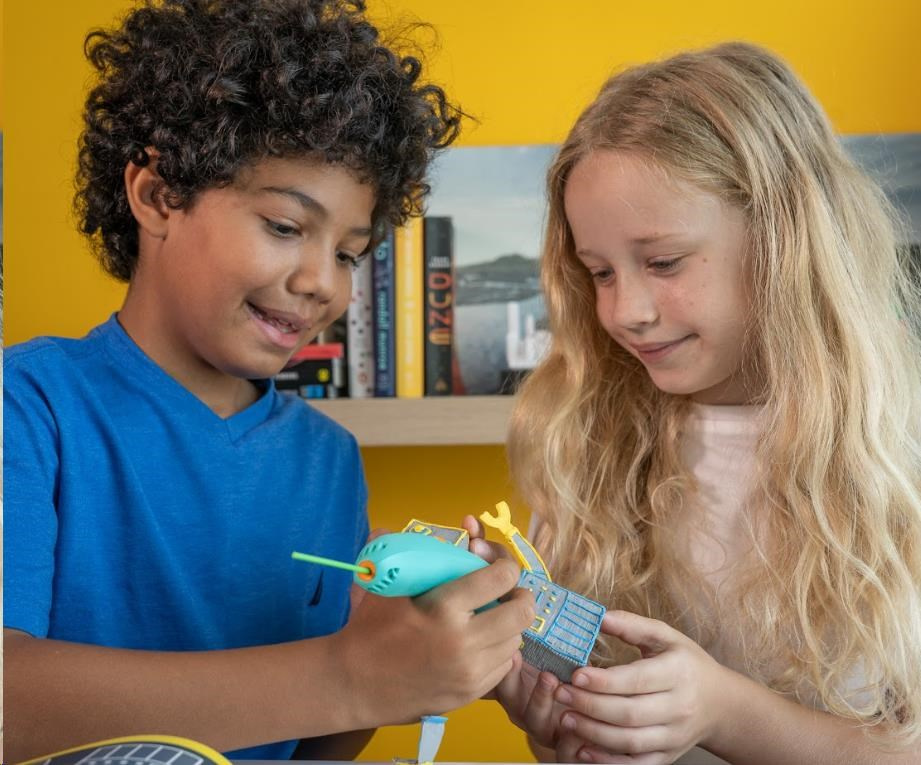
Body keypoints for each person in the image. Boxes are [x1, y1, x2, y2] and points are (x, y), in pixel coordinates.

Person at [3, 0, 534, 760]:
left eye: (349, 254)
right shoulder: (28, 407)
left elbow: (315, 744)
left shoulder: (328, 461)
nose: (323, 282)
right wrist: (347, 674)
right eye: (285, 227)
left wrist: (407, 661)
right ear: (157, 195)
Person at [465, 42, 921, 764]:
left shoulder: (900, 449)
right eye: (599, 273)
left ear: (783, 237)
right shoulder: (591, 441)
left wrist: (723, 711)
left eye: (663, 262)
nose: (626, 311)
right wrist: (558, 709)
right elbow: (576, 739)